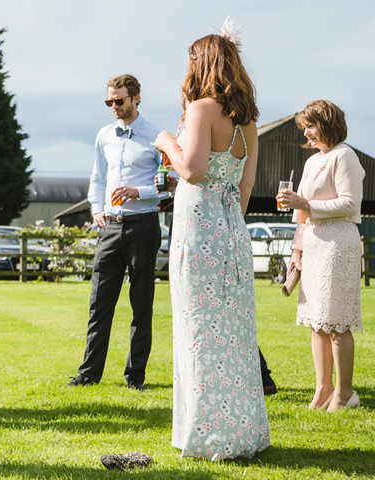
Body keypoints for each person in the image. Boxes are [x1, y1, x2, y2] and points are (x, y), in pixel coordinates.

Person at [154, 20, 270, 460]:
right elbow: (244, 191)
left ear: (202, 65)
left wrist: (167, 139)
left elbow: (192, 171)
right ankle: (242, 432)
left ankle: (205, 434)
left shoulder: (201, 109)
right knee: (234, 335)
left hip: (199, 228)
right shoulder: (249, 122)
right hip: (230, 233)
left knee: (198, 332)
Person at [66, 74, 163, 391]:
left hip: (144, 227)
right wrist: (96, 208)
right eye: (109, 101)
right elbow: (97, 177)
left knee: (141, 305)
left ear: (136, 97)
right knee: (99, 304)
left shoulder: (157, 137)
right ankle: (89, 373)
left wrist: (139, 192)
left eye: (119, 101)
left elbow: (168, 186)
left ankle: (135, 377)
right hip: (109, 228)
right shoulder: (104, 136)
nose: (114, 107)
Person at [277, 100, 364, 412]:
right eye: (304, 127)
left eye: (310, 126)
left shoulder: (345, 155)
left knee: (337, 320)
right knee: (317, 320)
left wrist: (304, 202)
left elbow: (351, 204)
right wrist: (297, 248)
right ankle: (323, 388)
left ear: (328, 123)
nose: (307, 132)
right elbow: (301, 212)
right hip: (313, 244)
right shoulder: (312, 161)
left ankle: (345, 392)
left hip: (339, 242)